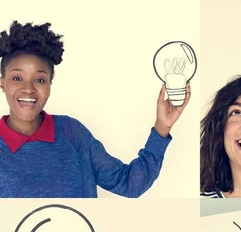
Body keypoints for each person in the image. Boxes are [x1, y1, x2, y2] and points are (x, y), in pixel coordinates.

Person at [0, 21, 190, 198]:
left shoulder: (71, 133)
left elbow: (129, 184)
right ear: (2, 83)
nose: (28, 88)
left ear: (50, 84)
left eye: (39, 80)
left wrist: (162, 127)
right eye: (17, 78)